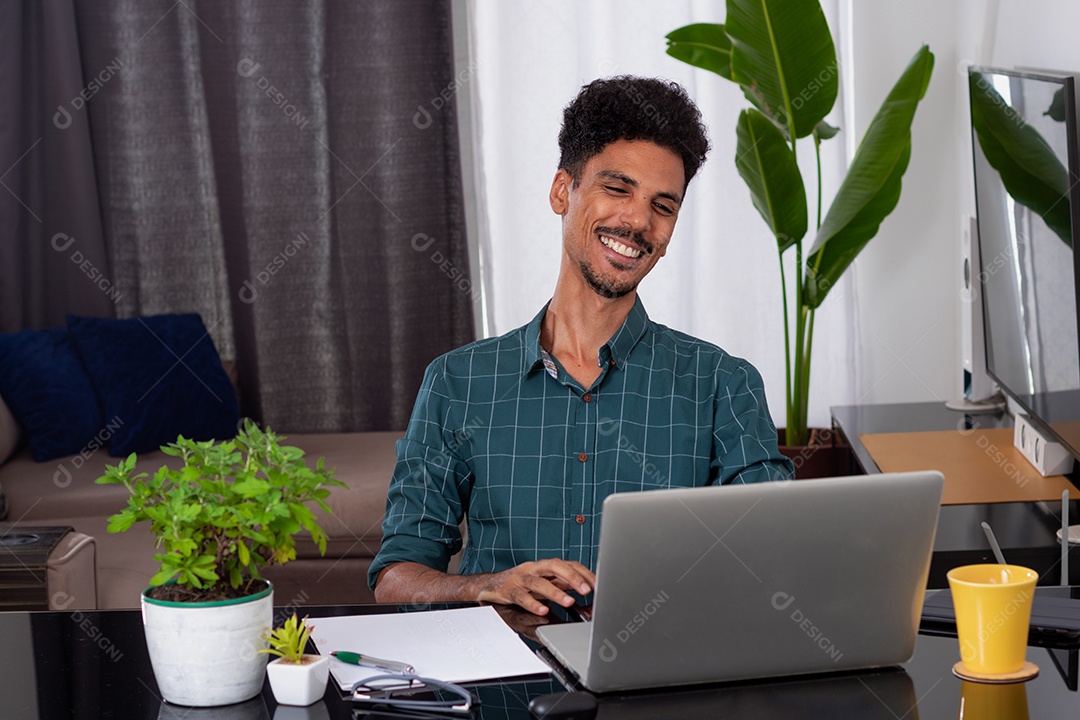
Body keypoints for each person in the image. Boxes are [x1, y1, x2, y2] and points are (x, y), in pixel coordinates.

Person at [369, 76, 794, 616]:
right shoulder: (458, 382)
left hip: (665, 687)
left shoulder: (722, 385)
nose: (638, 220)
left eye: (663, 206)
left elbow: (774, 557)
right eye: (617, 189)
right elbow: (396, 576)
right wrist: (485, 586)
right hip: (509, 691)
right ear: (562, 192)